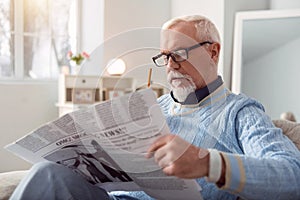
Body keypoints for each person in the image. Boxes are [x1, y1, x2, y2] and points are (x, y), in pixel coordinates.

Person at [10, 15, 300, 200]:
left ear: (213, 51)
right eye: (165, 56)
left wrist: (206, 163)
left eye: (180, 54)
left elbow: (292, 175)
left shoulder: (240, 111)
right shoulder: (150, 107)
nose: (171, 65)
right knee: (48, 172)